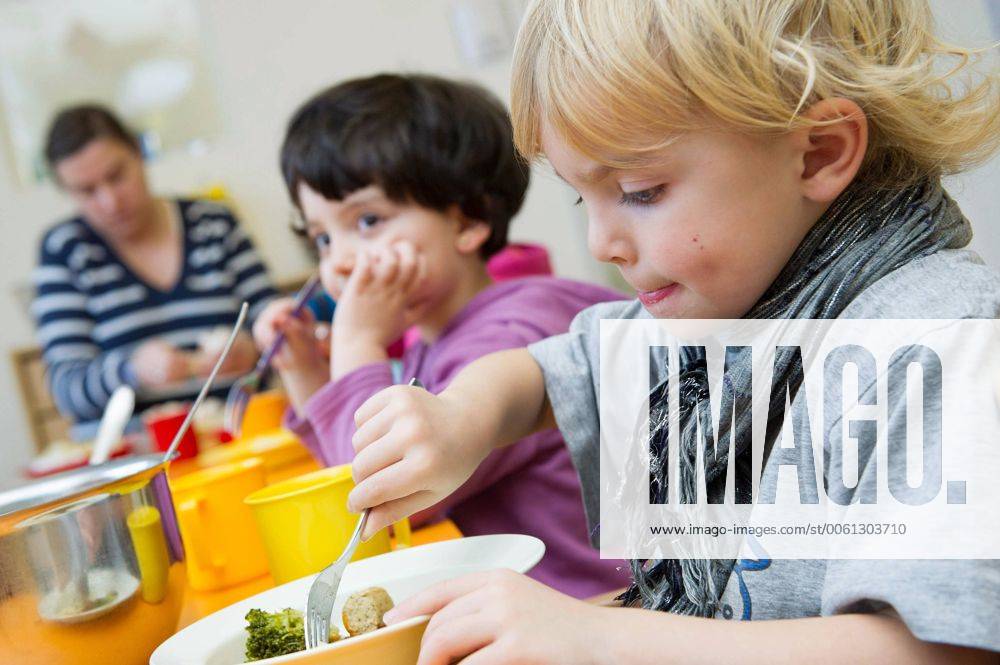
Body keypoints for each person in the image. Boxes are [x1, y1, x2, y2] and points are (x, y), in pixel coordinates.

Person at [345, 1, 1000, 662]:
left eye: (640, 189)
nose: (603, 242)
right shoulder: (720, 310)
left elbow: (942, 652)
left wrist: (601, 636)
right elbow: (548, 374)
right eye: (582, 196)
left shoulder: (940, 339)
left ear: (818, 154)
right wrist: (461, 418)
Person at [252, 73, 629, 598]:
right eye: (321, 236)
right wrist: (306, 370)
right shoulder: (434, 338)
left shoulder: (509, 333)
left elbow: (381, 498)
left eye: (366, 221)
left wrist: (356, 343)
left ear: (467, 219)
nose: (337, 260)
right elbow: (347, 482)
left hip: (593, 612)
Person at [33, 105, 275, 422]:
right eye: (87, 191)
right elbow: (67, 390)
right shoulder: (65, 251)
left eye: (117, 176)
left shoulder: (214, 224)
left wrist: (254, 349)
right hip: (138, 449)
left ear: (138, 153)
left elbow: (276, 325)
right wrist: (130, 370)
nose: (110, 201)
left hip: (241, 426)